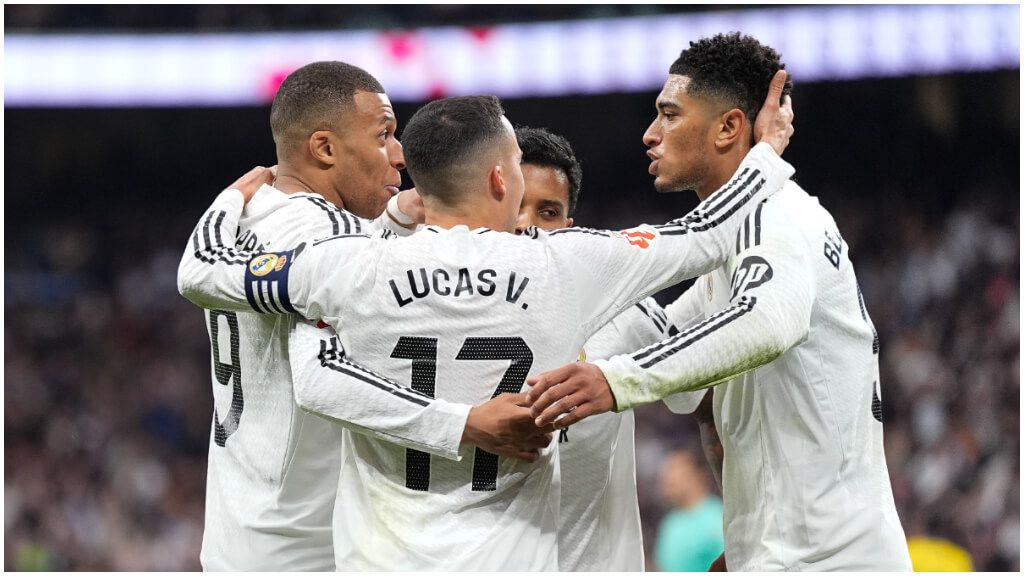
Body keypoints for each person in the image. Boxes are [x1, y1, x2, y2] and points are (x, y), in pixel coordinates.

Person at [177, 84, 794, 569]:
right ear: (502, 178)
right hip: (514, 558)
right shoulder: (568, 264)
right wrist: (765, 152)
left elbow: (208, 275)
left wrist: (230, 201)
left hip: (375, 559)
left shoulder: (348, 262)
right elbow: (708, 233)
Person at [527, 33, 913, 571]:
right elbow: (666, 341)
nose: (650, 134)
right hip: (788, 552)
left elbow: (768, 321)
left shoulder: (776, 214)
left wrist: (617, 380)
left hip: (827, 560)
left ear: (729, 127)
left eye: (669, 114)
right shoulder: (730, 246)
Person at [189, 61, 550, 571]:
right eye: (383, 135)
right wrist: (462, 424)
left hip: (238, 533)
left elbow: (317, 267)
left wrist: (397, 219)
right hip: (308, 547)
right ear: (326, 149)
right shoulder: (330, 237)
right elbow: (324, 377)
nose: (399, 155)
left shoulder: (256, 213)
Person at [514, 126, 703, 571]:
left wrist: (739, 521)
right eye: (516, 205)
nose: (526, 226)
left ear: (569, 228)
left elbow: (704, 399)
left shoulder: (620, 313)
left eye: (547, 212)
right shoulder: (446, 311)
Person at [653, 448, 725, 572]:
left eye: (675, 469)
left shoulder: (718, 517)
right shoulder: (669, 524)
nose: (669, 478)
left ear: (698, 476)